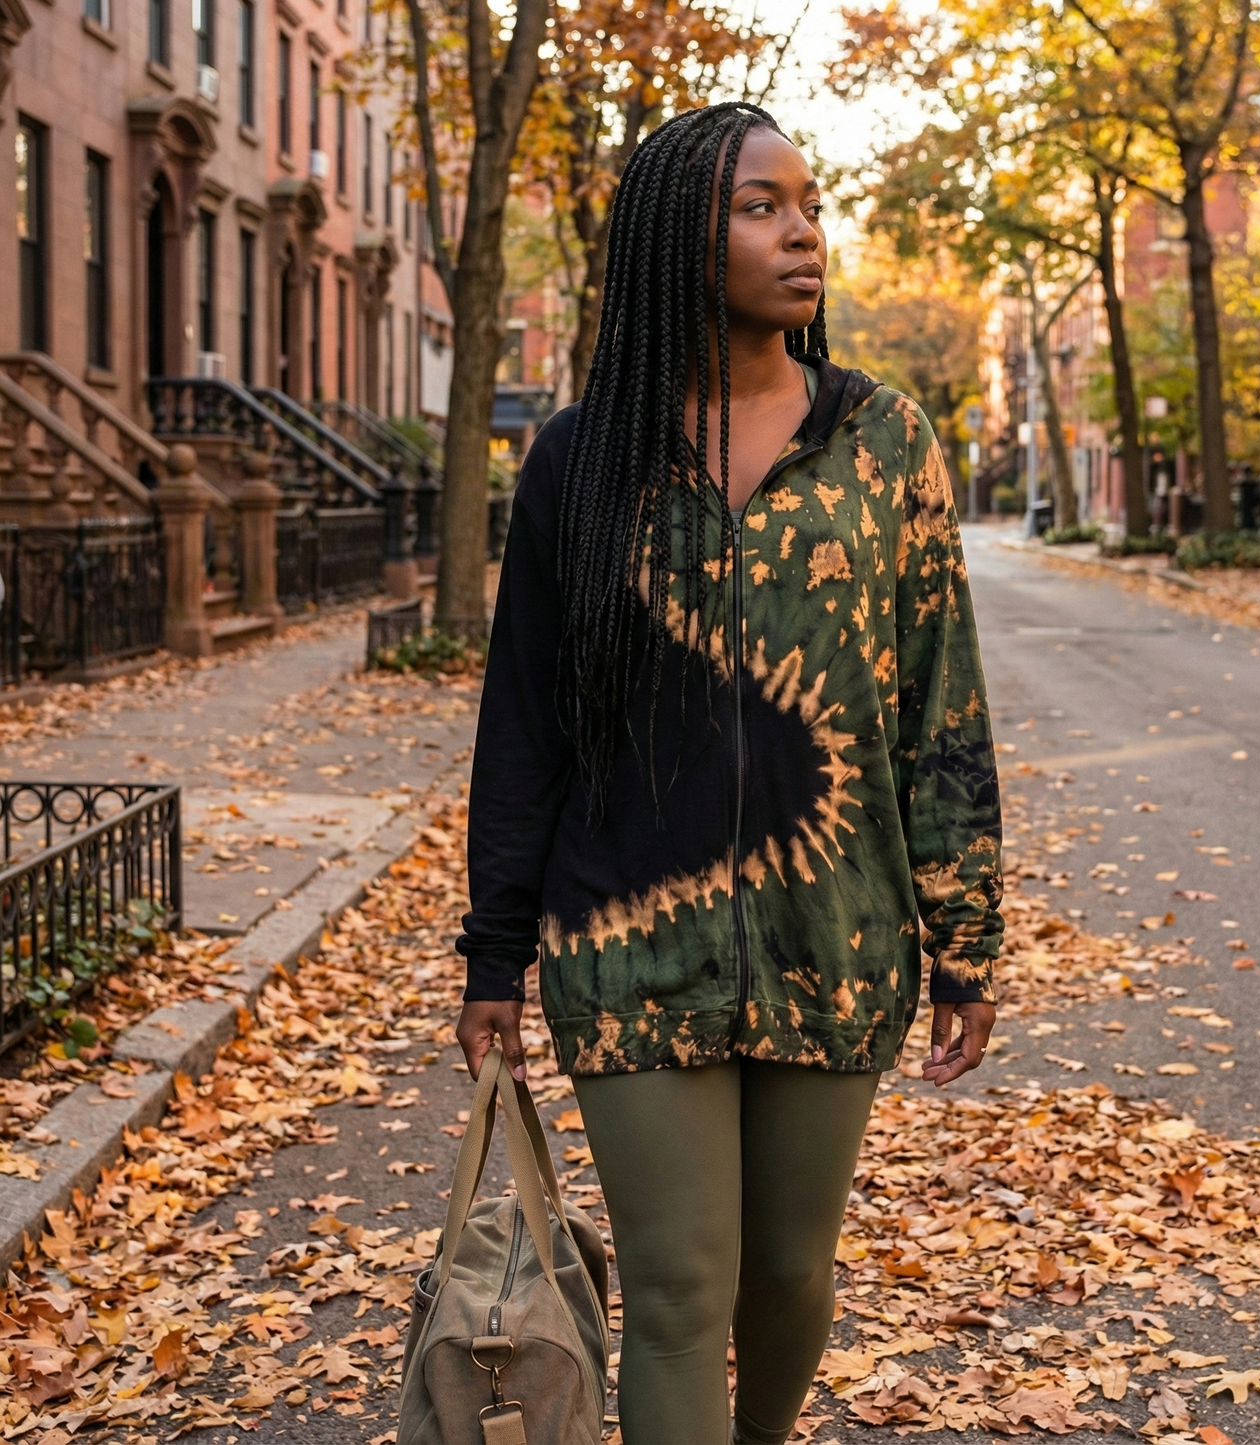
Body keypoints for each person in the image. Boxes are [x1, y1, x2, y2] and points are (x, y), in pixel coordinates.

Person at [454, 101, 1003, 1445]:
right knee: (682, 1286)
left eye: (808, 202)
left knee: (789, 1276)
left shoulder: (885, 444)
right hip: (628, 937)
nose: (803, 230)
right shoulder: (581, 465)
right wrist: (493, 958)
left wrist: (967, 937)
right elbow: (523, 724)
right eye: (761, 205)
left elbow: (943, 703)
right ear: (673, 241)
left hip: (838, 928)